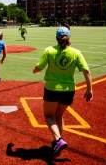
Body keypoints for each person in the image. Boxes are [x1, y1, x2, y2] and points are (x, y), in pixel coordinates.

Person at [32, 27, 93, 157]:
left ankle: (58, 140)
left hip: (52, 89)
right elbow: (87, 71)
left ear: (56, 38)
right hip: (69, 90)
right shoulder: (76, 52)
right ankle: (58, 140)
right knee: (59, 115)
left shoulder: (49, 50)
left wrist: (35, 70)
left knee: (49, 116)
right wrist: (89, 89)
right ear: (69, 38)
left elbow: (39, 67)